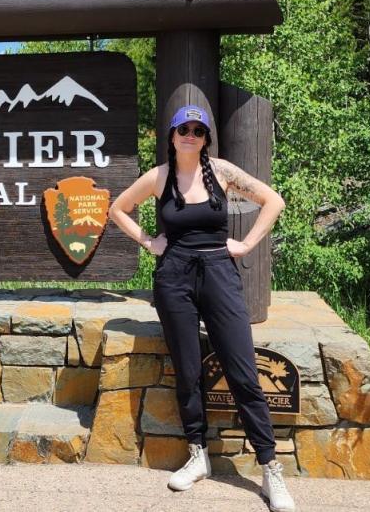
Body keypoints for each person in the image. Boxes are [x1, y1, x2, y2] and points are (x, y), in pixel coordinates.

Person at [108, 104, 296, 512]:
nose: (190, 134)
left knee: (243, 372)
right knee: (189, 371)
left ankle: (269, 467)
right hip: (174, 277)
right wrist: (148, 241)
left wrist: (245, 245)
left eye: (198, 129)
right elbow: (116, 209)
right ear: (172, 135)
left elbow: (273, 201)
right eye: (183, 129)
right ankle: (198, 455)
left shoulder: (223, 173)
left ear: (205, 137)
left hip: (218, 273)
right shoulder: (159, 177)